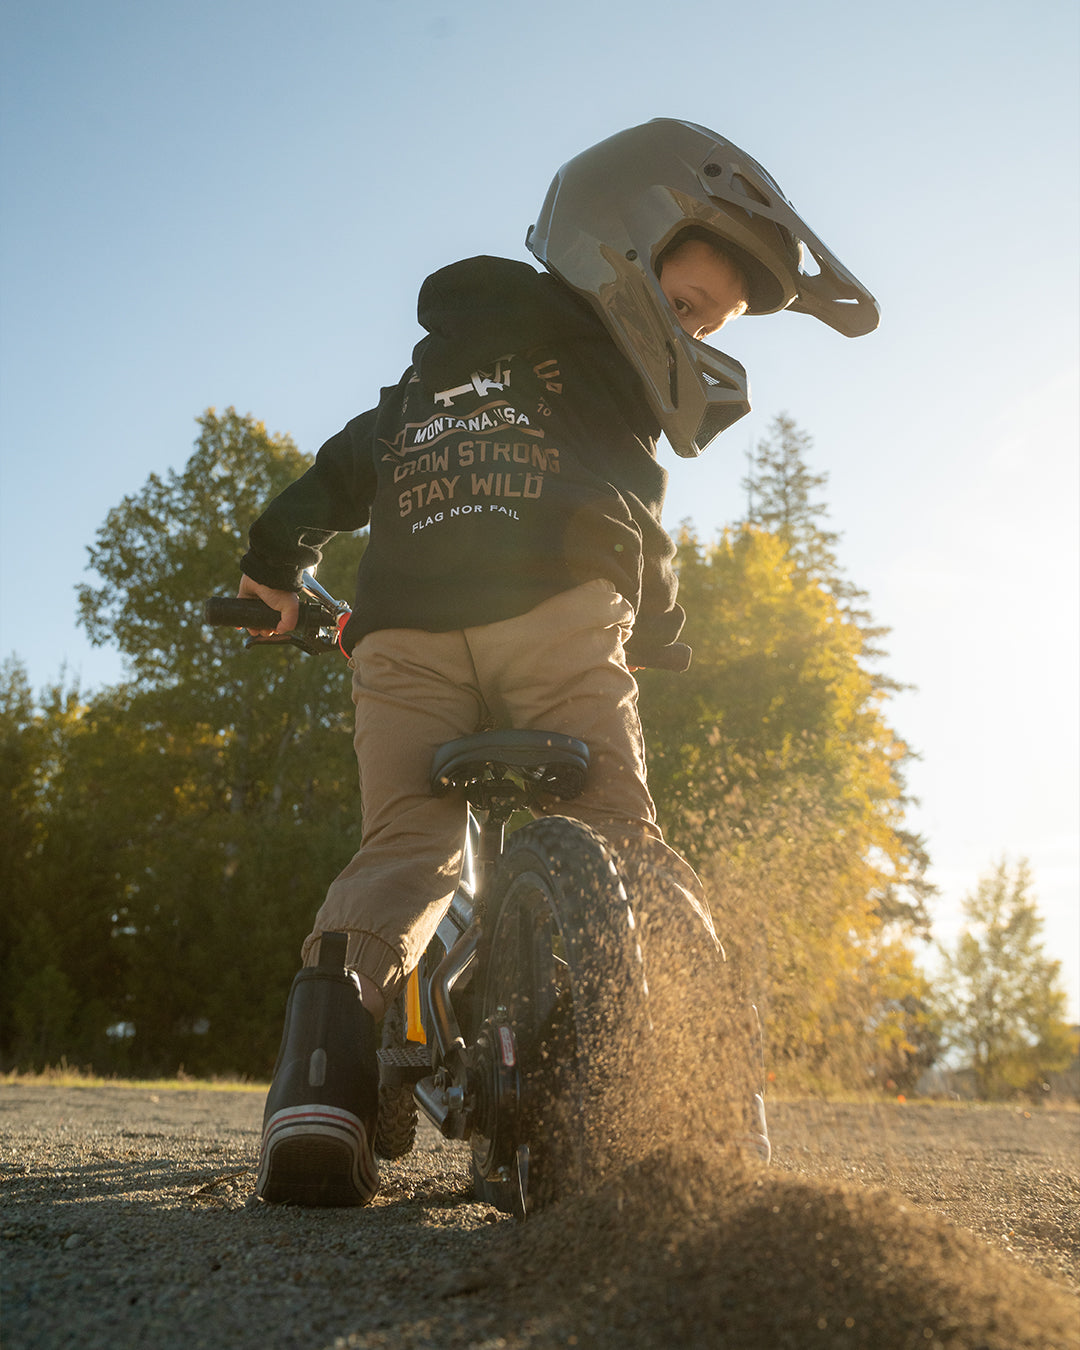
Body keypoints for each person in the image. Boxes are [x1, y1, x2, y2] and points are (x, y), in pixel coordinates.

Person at [238, 118, 879, 1207]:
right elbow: (640, 524)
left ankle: (320, 1092)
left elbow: (332, 477)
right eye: (688, 308)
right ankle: (705, 1100)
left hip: (400, 638)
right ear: (620, 248)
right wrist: (663, 634)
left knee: (402, 850)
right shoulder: (608, 373)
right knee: (622, 838)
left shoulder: (422, 383)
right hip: (559, 617)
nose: (696, 333)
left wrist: (274, 569)